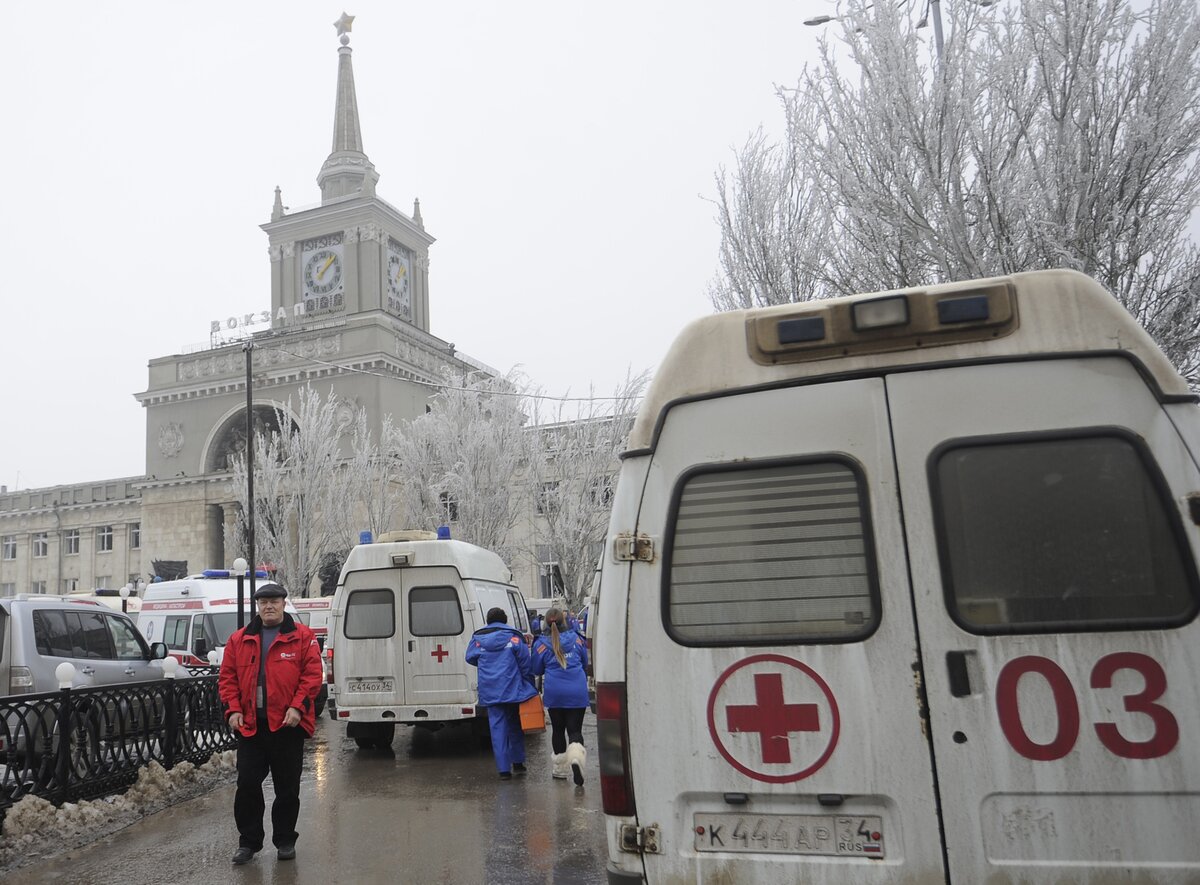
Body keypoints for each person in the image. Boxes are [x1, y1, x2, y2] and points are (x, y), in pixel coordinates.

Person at [218, 582, 323, 865]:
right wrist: (233, 711)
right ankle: (249, 842)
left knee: (286, 788)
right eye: (264, 602)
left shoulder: (302, 637)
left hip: (287, 726)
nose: (269, 606)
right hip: (251, 728)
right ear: (258, 606)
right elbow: (227, 679)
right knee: (247, 785)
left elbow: (312, 676)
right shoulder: (238, 640)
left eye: (274, 601)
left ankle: (285, 840)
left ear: (284, 603)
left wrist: (298, 708)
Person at [466, 607, 537, 779]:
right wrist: (529, 683)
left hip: (490, 690)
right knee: (515, 726)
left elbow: (469, 657)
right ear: (505, 620)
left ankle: (504, 770)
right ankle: (518, 763)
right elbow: (525, 663)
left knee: (497, 728)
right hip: (512, 688)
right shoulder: (514, 637)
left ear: (488, 621)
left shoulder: (478, 639)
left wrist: (486, 664)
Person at [530, 607, 589, 786]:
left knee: (557, 729)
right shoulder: (577, 639)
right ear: (565, 622)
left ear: (545, 624)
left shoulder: (540, 645)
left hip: (555, 692)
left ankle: (560, 770)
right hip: (577, 690)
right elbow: (585, 663)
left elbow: (536, 669)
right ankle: (576, 758)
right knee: (575, 730)